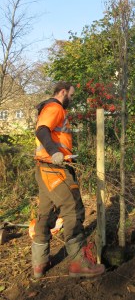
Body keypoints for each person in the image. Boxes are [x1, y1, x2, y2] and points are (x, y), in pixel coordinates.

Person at [32, 81, 105, 278]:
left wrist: (65, 153)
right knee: (73, 207)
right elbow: (42, 130)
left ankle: (39, 263)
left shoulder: (50, 109)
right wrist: (55, 152)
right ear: (63, 92)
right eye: (71, 96)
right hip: (53, 167)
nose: (71, 100)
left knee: (46, 214)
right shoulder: (54, 107)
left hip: (45, 168)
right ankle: (78, 263)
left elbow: (52, 133)